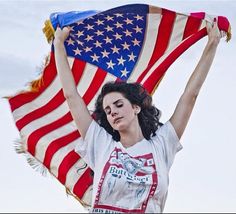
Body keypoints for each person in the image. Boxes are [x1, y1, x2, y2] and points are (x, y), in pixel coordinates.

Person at [53, 19, 224, 213]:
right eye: (108, 111)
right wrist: (58, 45)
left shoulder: (162, 145)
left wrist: (212, 44)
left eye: (119, 105)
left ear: (136, 108)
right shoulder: (100, 144)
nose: (113, 112)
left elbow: (190, 96)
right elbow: (71, 97)